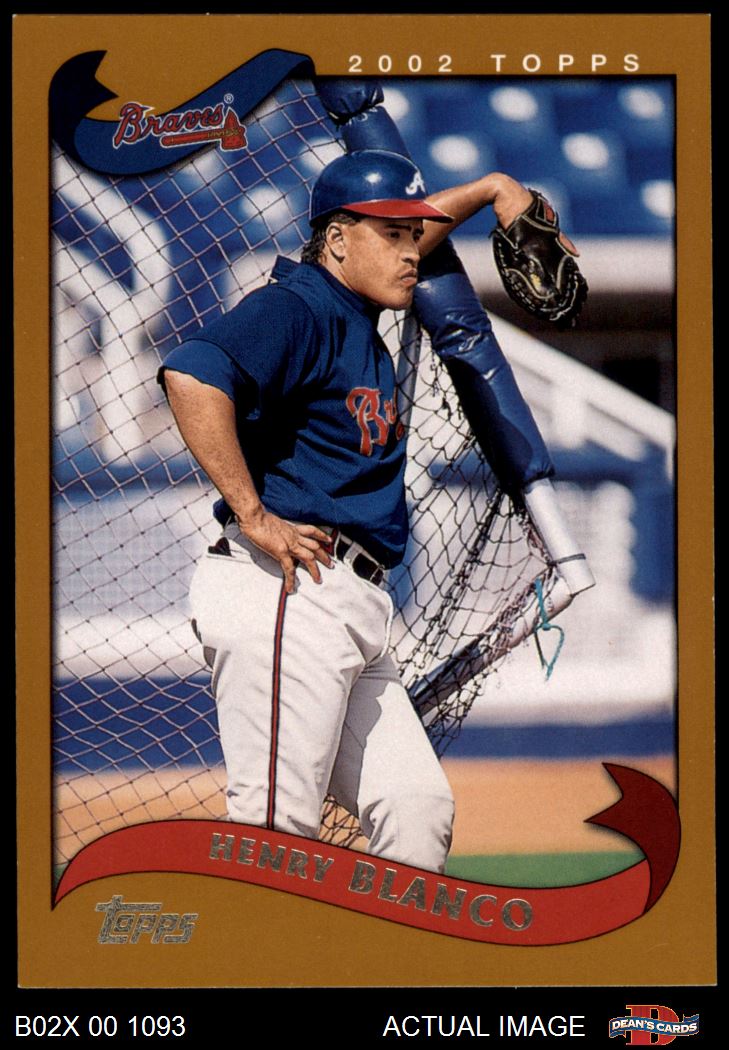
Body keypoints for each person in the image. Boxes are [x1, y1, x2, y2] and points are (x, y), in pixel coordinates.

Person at [158, 149, 534, 874]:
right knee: (276, 828)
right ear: (335, 240)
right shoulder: (297, 306)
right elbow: (191, 374)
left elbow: (402, 236)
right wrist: (252, 513)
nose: (411, 252)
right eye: (392, 235)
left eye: (413, 235)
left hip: (350, 603)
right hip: (286, 589)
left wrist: (494, 186)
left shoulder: (352, 301)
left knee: (415, 806)